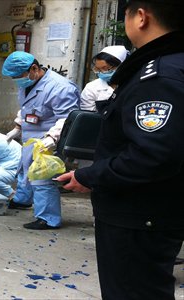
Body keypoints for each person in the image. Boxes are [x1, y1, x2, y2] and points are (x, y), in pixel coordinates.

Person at [56, 0, 184, 299]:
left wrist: (92, 176)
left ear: (141, 17)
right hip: (157, 208)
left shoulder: (159, 76)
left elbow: (153, 154)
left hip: (139, 214)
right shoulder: (171, 64)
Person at [2, 51, 80, 230]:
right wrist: (17, 127)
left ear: (34, 68)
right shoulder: (28, 83)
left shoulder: (60, 87)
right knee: (25, 170)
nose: (16, 80)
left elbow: (68, 117)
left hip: (49, 139)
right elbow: (26, 108)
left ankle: (48, 218)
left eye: (17, 76)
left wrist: (52, 138)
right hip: (31, 136)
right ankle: (23, 200)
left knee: (42, 178)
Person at [80, 45, 129, 111]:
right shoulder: (91, 88)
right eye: (98, 69)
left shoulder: (132, 84)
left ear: (121, 66)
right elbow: (87, 114)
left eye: (105, 68)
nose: (101, 72)